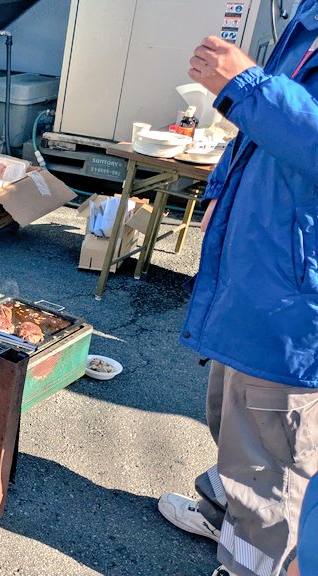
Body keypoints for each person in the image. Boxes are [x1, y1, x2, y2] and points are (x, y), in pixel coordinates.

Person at [157, 4, 318, 575]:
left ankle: (250, 563)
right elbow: (262, 133)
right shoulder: (307, 19)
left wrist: (246, 85)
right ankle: (222, 509)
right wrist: (222, 189)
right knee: (230, 416)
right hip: (259, 271)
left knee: (272, 457)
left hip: (296, 299)